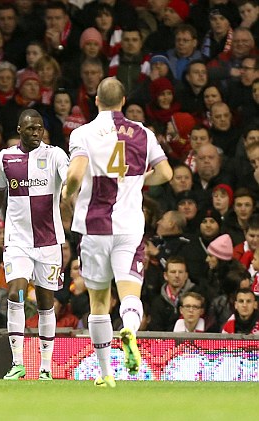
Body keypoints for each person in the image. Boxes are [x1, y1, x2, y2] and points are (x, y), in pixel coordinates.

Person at [62, 78, 172, 387]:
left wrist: (65, 193)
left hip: (94, 227)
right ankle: (130, 331)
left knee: (99, 302)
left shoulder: (82, 133)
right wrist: (137, 181)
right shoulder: (144, 133)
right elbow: (166, 173)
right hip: (129, 227)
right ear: (123, 101)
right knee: (129, 293)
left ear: (96, 100)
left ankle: (106, 374)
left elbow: (76, 173)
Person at [0, 109, 69, 381]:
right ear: (19, 130)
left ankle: (45, 366)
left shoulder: (55, 155)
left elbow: (70, 181)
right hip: (17, 241)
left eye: (40, 128)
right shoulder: (4, 158)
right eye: (31, 128)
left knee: (45, 302)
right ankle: (17, 363)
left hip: (49, 242)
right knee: (16, 294)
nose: (36, 133)